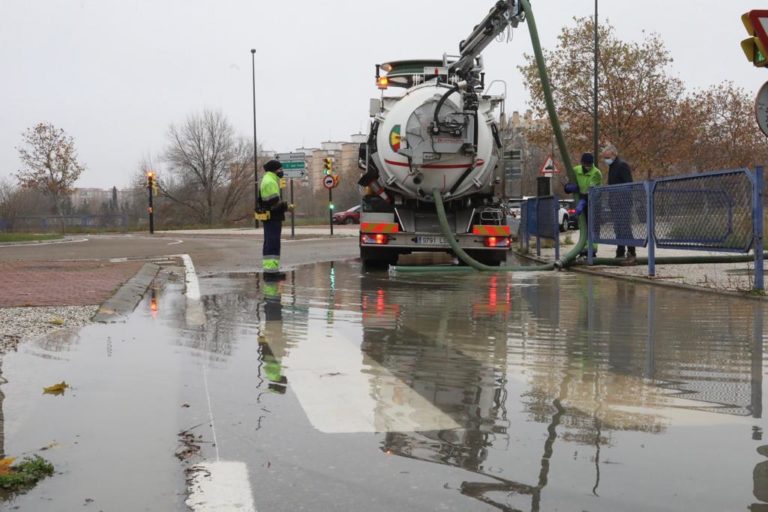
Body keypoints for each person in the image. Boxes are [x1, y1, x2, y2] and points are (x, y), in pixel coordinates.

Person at [601, 143, 636, 262]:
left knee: (625, 227)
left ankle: (631, 251)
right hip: (615, 203)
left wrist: (620, 197)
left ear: (614, 154)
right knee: (618, 228)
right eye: (604, 157)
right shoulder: (612, 167)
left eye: (607, 157)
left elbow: (628, 184)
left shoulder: (622, 166)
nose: (606, 160)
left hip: (623, 202)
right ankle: (620, 251)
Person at [564, 153, 602, 258]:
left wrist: (582, 202)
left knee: (592, 226)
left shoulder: (596, 173)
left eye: (589, 164)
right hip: (582, 201)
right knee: (583, 226)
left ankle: (592, 250)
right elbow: (567, 185)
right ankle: (583, 249)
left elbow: (592, 191)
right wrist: (568, 188)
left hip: (594, 203)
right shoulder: (576, 170)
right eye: (585, 164)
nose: (587, 167)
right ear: (581, 163)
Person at [259, 160, 291, 280]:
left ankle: (270, 271)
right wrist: (287, 206)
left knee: (269, 243)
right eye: (280, 169)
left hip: (269, 217)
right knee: (273, 243)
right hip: (273, 217)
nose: (281, 171)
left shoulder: (267, 179)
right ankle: (271, 273)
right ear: (274, 169)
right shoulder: (270, 181)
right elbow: (274, 203)